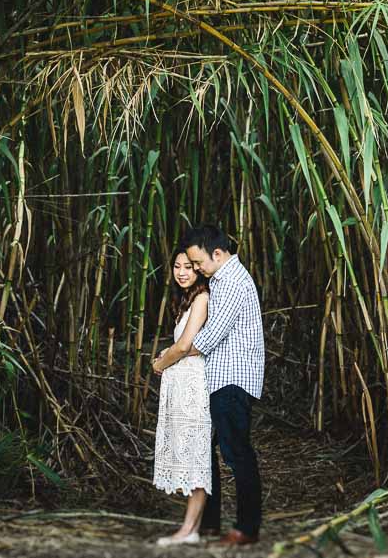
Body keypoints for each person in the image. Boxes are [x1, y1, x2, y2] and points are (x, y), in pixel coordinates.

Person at [179, 223, 265, 547]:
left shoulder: (231, 281)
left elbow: (210, 337)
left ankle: (247, 527)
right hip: (221, 380)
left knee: (237, 452)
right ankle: (211, 523)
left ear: (217, 253)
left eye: (198, 263)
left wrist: (175, 354)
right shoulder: (222, 279)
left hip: (232, 380)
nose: (197, 269)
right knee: (206, 452)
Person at [150, 247, 213, 546]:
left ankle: (187, 531)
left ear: (199, 269)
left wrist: (160, 363)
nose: (181, 272)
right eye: (176, 266)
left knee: (195, 456)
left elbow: (186, 345)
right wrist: (168, 356)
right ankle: (193, 529)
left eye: (188, 266)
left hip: (193, 389)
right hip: (181, 387)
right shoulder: (187, 300)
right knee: (189, 455)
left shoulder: (201, 298)